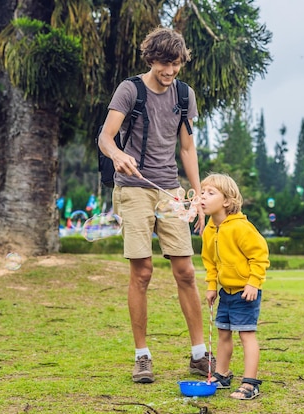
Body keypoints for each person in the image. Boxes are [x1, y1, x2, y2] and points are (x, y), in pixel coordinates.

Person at [98, 26, 213, 384]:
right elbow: (105, 136)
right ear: (151, 59)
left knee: (186, 272)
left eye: (176, 64)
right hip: (133, 188)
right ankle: (142, 356)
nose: (170, 71)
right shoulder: (130, 89)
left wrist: (198, 196)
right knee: (142, 272)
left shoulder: (184, 94)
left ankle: (198, 354)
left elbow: (188, 148)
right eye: (164, 64)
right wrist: (117, 155)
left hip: (170, 190)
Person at [200, 173, 270, 400]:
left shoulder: (241, 227)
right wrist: (212, 286)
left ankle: (250, 383)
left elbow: (260, 256)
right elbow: (210, 262)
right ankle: (222, 374)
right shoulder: (209, 230)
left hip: (245, 292)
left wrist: (253, 283)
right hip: (226, 292)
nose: (203, 196)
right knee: (223, 333)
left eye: (211, 193)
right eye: (202, 192)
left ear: (227, 201)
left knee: (247, 335)